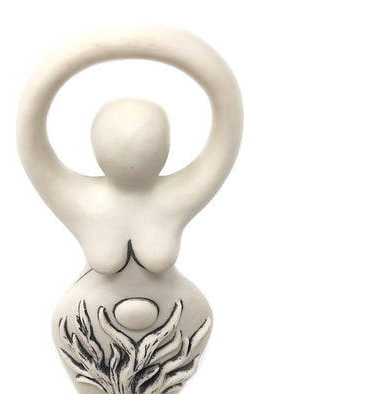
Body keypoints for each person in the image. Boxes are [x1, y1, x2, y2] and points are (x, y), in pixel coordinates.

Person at [17, 25, 243, 274]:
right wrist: (82, 52)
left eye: (147, 138)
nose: (132, 148)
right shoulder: (80, 198)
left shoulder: (175, 197)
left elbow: (227, 114)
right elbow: (31, 133)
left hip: (175, 301)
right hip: (90, 302)